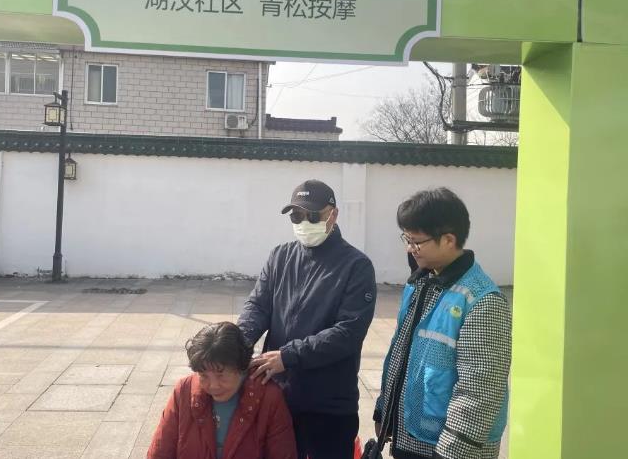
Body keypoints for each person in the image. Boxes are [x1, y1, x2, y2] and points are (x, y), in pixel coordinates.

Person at [238, 179, 377, 459]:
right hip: (278, 396)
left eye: (312, 216)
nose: (304, 222)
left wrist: (289, 356)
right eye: (296, 216)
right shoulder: (280, 256)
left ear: (333, 215)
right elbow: (258, 306)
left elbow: (348, 333)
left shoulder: (356, 266)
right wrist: (236, 343)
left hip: (328, 405)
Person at [373, 188, 511, 459]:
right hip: (411, 438)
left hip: (448, 450)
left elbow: (479, 393)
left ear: (449, 239)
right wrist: (384, 411)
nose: (409, 249)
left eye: (416, 242)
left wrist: (450, 453)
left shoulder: (482, 301)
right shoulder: (422, 283)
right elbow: (401, 354)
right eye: (407, 239)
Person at [147, 322, 296, 459]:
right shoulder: (184, 391)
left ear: (241, 367)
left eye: (221, 375)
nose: (213, 386)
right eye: (203, 375)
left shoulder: (269, 397)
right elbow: (160, 451)